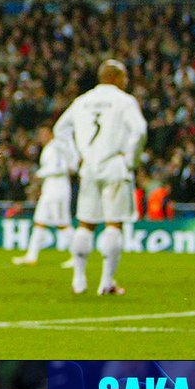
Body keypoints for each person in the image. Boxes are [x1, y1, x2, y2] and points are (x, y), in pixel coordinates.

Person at [53, 58, 147, 296]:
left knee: (86, 224)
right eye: (124, 77)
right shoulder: (124, 101)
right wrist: (131, 159)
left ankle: (79, 280)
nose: (126, 81)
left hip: (89, 167)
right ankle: (106, 283)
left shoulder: (82, 101)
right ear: (116, 78)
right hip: (114, 165)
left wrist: (74, 158)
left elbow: (60, 130)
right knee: (114, 224)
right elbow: (139, 130)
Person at [12, 126, 77, 265]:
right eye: (40, 134)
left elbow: (61, 167)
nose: (41, 136)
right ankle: (31, 256)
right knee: (39, 221)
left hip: (58, 188)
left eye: (44, 133)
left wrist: (40, 173)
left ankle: (78, 255)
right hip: (49, 188)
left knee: (62, 223)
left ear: (51, 134)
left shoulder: (57, 147)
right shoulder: (49, 148)